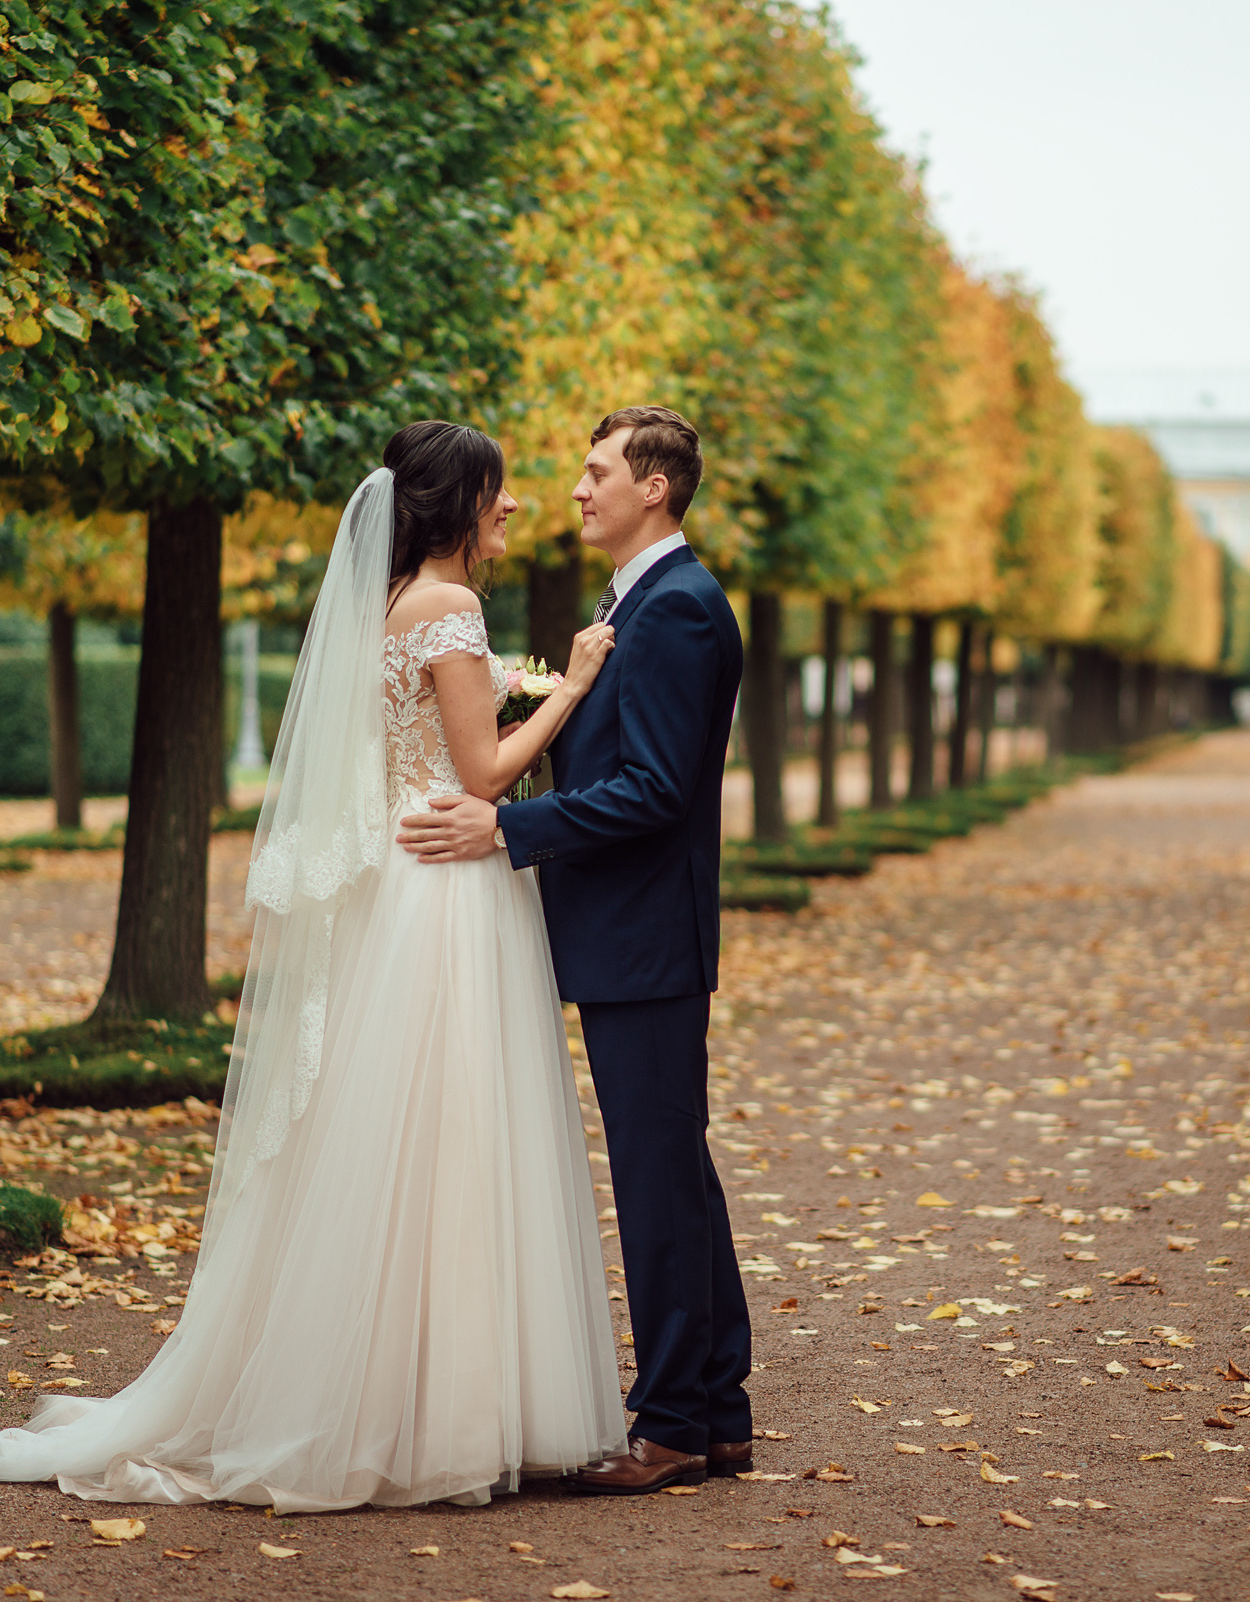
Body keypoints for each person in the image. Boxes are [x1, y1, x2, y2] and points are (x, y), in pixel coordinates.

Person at [0, 421, 627, 1509]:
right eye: (498, 491)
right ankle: (442, 1413)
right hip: (446, 891)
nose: (515, 506)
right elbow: (480, 773)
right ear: (452, 503)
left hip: (406, 879)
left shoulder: (391, 609)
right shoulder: (449, 608)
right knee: (455, 1140)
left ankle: (404, 1401)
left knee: (407, 1139)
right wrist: (565, 691)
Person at [396, 405, 752, 1494]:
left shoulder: (680, 609)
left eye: (598, 473)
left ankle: (677, 1424)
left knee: (657, 1179)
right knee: (671, 1171)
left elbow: (651, 791)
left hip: (644, 937)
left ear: (656, 487)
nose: (578, 489)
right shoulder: (635, 603)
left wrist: (507, 826)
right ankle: (716, 1411)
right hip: (624, 932)